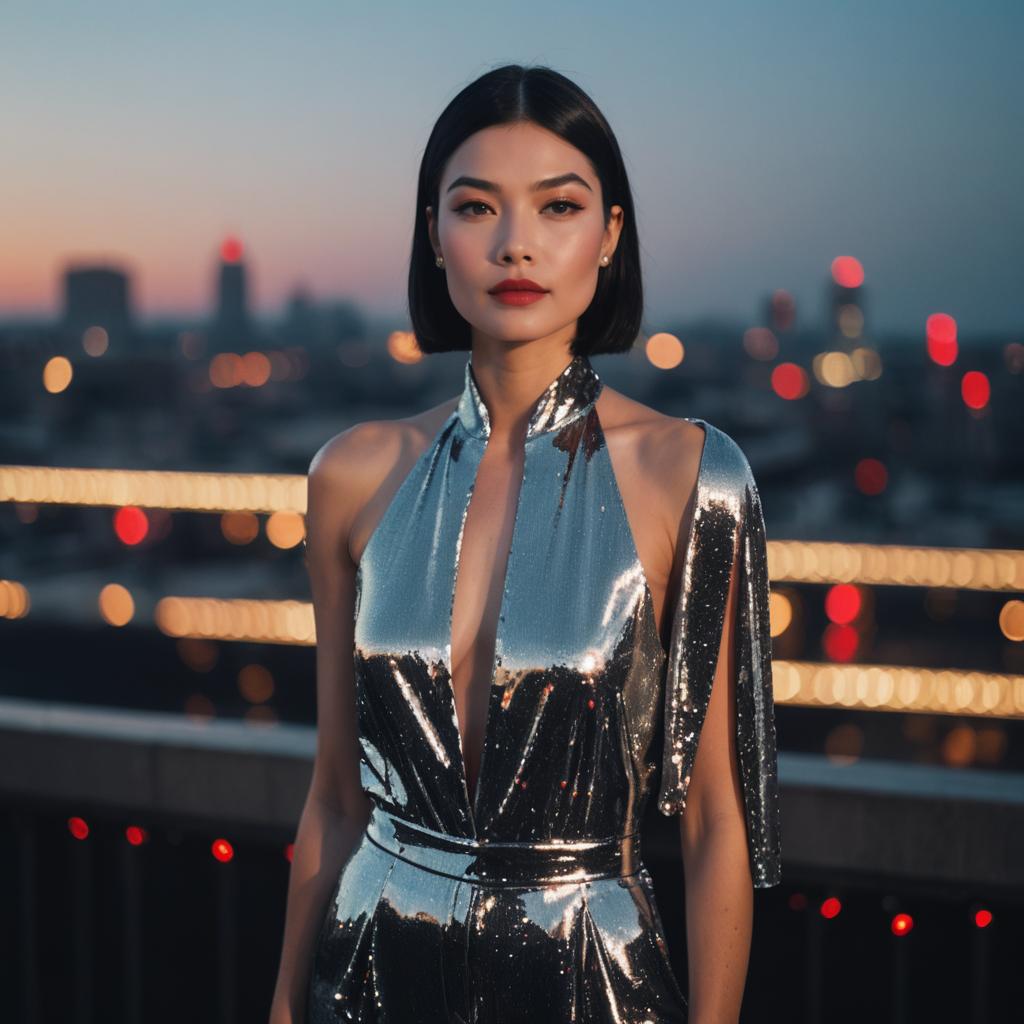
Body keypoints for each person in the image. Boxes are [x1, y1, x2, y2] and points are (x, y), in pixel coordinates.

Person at [271, 63, 781, 1024]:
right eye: (475, 208)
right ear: (432, 236)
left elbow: (717, 819)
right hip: (372, 970)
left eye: (558, 207)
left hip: (587, 980)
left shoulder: (690, 476)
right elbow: (337, 798)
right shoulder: (349, 475)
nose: (516, 245)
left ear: (610, 236)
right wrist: (282, 1006)